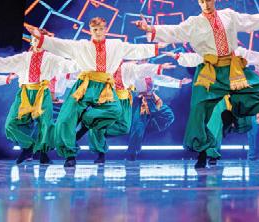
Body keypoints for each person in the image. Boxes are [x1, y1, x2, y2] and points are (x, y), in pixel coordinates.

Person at [134, 0, 259, 168]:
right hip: (208, 71)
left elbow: (250, 20)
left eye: (208, 0)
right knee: (199, 110)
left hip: (231, 69)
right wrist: (150, 29)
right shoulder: (194, 22)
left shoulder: (228, 15)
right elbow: (175, 31)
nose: (205, 4)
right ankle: (203, 153)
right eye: (201, 1)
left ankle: (232, 116)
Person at [25, 17, 161, 167]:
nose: (98, 32)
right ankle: (70, 155)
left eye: (101, 29)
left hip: (104, 87)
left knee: (115, 110)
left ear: (106, 29)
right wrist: (41, 38)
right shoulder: (82, 45)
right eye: (95, 29)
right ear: (90, 30)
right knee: (65, 118)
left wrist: (156, 47)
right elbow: (61, 44)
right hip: (84, 85)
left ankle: (86, 121)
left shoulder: (115, 45)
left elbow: (135, 49)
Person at [0, 31, 78, 165]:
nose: (38, 43)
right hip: (25, 93)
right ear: (31, 41)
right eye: (35, 39)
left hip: (42, 93)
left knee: (46, 125)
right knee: (10, 124)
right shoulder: (24, 58)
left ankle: (44, 154)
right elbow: (4, 63)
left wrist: (85, 58)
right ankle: (29, 147)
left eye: (41, 40)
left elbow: (69, 66)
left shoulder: (52, 58)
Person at [78, 60, 177, 164]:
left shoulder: (139, 68)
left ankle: (141, 131)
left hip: (145, 100)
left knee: (164, 116)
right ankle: (105, 151)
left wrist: (178, 82)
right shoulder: (127, 67)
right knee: (134, 127)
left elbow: (161, 79)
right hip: (118, 100)